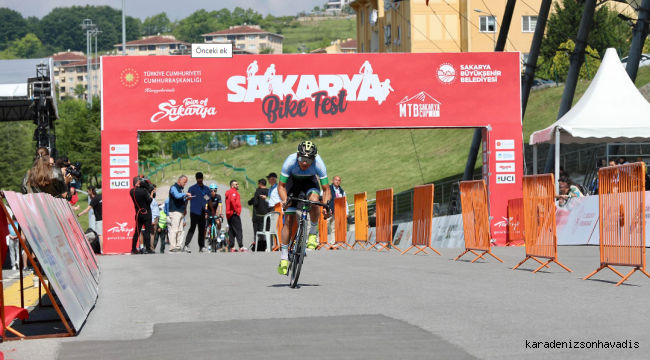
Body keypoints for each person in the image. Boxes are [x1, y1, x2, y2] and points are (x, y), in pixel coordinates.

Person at [277, 141, 331, 275]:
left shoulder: (319, 164)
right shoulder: (290, 162)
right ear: (297, 156)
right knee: (289, 220)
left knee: (314, 202)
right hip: (292, 184)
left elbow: (326, 189)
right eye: (302, 158)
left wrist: (326, 205)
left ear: (314, 159)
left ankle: (312, 233)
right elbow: (281, 186)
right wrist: (285, 200)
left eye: (308, 159)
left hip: (309, 182)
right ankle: (284, 257)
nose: (305, 163)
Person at [184, 172, 211, 253]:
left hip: (202, 212)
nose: (199, 180)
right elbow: (187, 199)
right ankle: (186, 245)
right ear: (196, 179)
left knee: (202, 230)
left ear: (203, 178)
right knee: (192, 228)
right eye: (198, 178)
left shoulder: (206, 189)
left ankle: (201, 246)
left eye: (201, 178)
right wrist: (185, 209)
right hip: (194, 211)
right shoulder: (192, 188)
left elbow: (208, 199)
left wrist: (212, 210)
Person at [129, 177, 154, 254]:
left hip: (138, 213)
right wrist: (151, 194)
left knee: (137, 231)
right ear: (139, 182)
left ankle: (133, 249)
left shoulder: (131, 191)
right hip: (146, 213)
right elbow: (149, 201)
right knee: (147, 231)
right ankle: (148, 249)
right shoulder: (143, 191)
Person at [168, 175, 191, 253]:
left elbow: (182, 198)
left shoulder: (181, 189)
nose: (185, 184)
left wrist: (187, 198)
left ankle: (178, 246)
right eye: (184, 182)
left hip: (181, 211)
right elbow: (176, 196)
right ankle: (172, 246)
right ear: (180, 180)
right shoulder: (173, 187)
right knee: (174, 229)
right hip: (175, 211)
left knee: (180, 230)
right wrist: (185, 194)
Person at [77, 186, 103, 253]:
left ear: (91, 191)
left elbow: (87, 210)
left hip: (99, 220)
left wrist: (78, 215)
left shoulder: (94, 199)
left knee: (100, 235)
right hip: (104, 218)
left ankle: (102, 250)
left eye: (88, 191)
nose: (87, 192)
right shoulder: (100, 196)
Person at [225, 180, 246, 252]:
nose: (238, 185)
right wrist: (237, 210)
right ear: (232, 186)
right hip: (233, 213)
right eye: (236, 184)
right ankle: (241, 246)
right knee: (238, 230)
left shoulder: (228, 192)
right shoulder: (233, 192)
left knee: (231, 230)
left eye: (238, 184)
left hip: (229, 214)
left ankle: (232, 247)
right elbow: (232, 200)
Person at [250, 179, 269, 250]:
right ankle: (266, 245)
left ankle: (258, 246)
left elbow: (255, 203)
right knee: (266, 231)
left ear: (260, 184)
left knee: (257, 231)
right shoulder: (269, 191)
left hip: (259, 215)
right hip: (268, 215)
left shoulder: (258, 192)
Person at [149, 185, 160, 252]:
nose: (155, 191)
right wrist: (152, 220)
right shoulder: (151, 200)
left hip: (156, 217)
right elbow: (151, 210)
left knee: (154, 233)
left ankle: (151, 246)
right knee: (152, 233)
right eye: (154, 190)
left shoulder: (153, 200)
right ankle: (151, 247)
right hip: (154, 218)